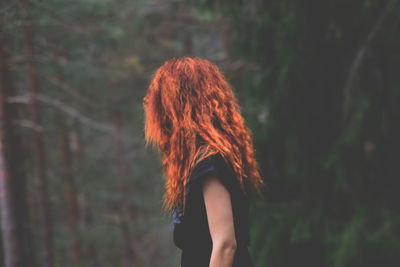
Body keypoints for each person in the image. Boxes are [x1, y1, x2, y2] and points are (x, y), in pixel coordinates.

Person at [142, 57, 264, 267]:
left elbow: (225, 245)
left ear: (178, 105)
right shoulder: (201, 161)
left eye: (162, 103)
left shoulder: (209, 162)